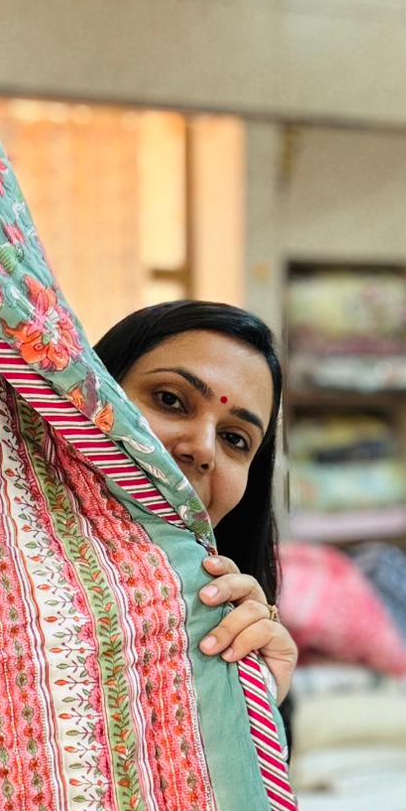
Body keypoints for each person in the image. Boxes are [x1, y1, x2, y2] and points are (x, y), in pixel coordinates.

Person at [95, 299, 299, 705]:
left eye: (234, 439)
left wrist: (256, 700)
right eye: (170, 400)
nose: (203, 449)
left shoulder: (231, 638)